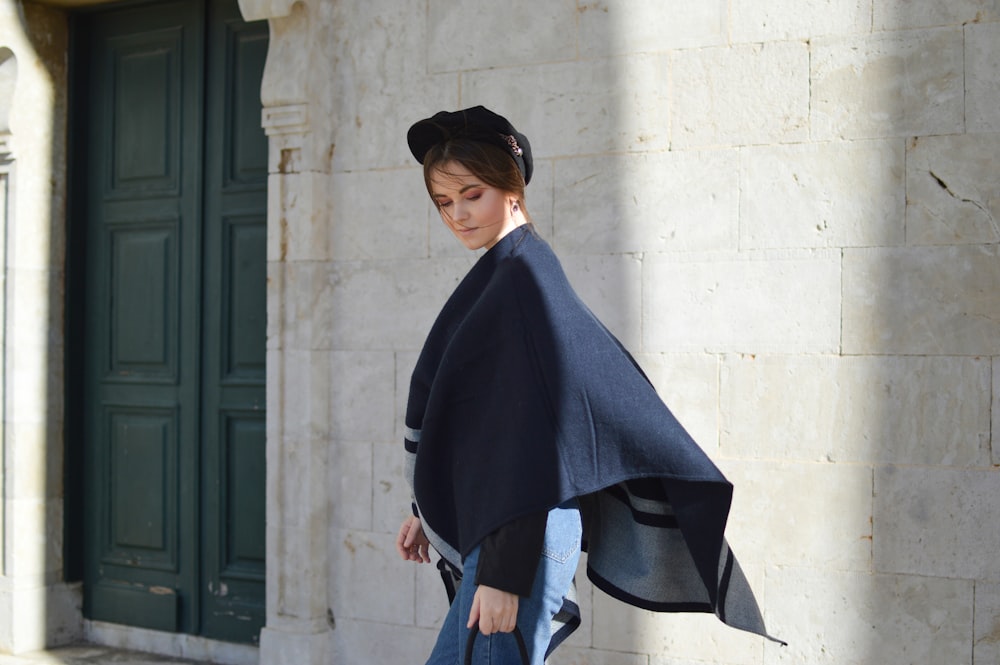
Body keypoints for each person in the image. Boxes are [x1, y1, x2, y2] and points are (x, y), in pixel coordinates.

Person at [397, 106, 780, 665]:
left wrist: (506, 573)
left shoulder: (523, 283)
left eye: (471, 194)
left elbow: (536, 440)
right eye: (443, 203)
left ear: (512, 186)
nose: (457, 214)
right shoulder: (510, 273)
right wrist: (427, 507)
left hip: (519, 532)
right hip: (510, 524)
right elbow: (486, 427)